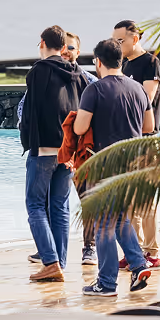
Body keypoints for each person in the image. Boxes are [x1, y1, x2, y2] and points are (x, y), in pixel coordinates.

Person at [74, 39, 155, 298]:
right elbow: (148, 126)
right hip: (133, 164)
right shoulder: (138, 88)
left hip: (104, 165)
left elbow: (80, 128)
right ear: (121, 60)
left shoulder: (95, 90)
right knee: (120, 219)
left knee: (103, 224)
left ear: (98, 62)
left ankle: (106, 283)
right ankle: (139, 265)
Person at [19, 25, 85, 283]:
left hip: (44, 149)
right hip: (68, 150)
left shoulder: (39, 71)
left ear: (42, 43)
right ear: (63, 47)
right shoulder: (78, 73)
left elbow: (32, 111)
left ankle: (50, 262)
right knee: (60, 206)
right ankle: (60, 263)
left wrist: (29, 142)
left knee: (35, 205)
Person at [113, 19, 160, 268]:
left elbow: (146, 99)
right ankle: (135, 250)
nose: (117, 45)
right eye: (114, 41)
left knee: (146, 199)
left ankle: (152, 251)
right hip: (127, 140)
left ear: (135, 38)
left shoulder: (150, 62)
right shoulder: (124, 64)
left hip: (146, 140)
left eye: (120, 41)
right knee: (129, 200)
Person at [62, 31, 98, 266]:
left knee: (88, 200)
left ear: (78, 51)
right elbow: (23, 109)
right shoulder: (45, 78)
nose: (66, 52)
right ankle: (51, 250)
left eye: (71, 48)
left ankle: (89, 247)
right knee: (53, 202)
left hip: (82, 153)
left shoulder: (90, 82)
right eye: (63, 47)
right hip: (54, 150)